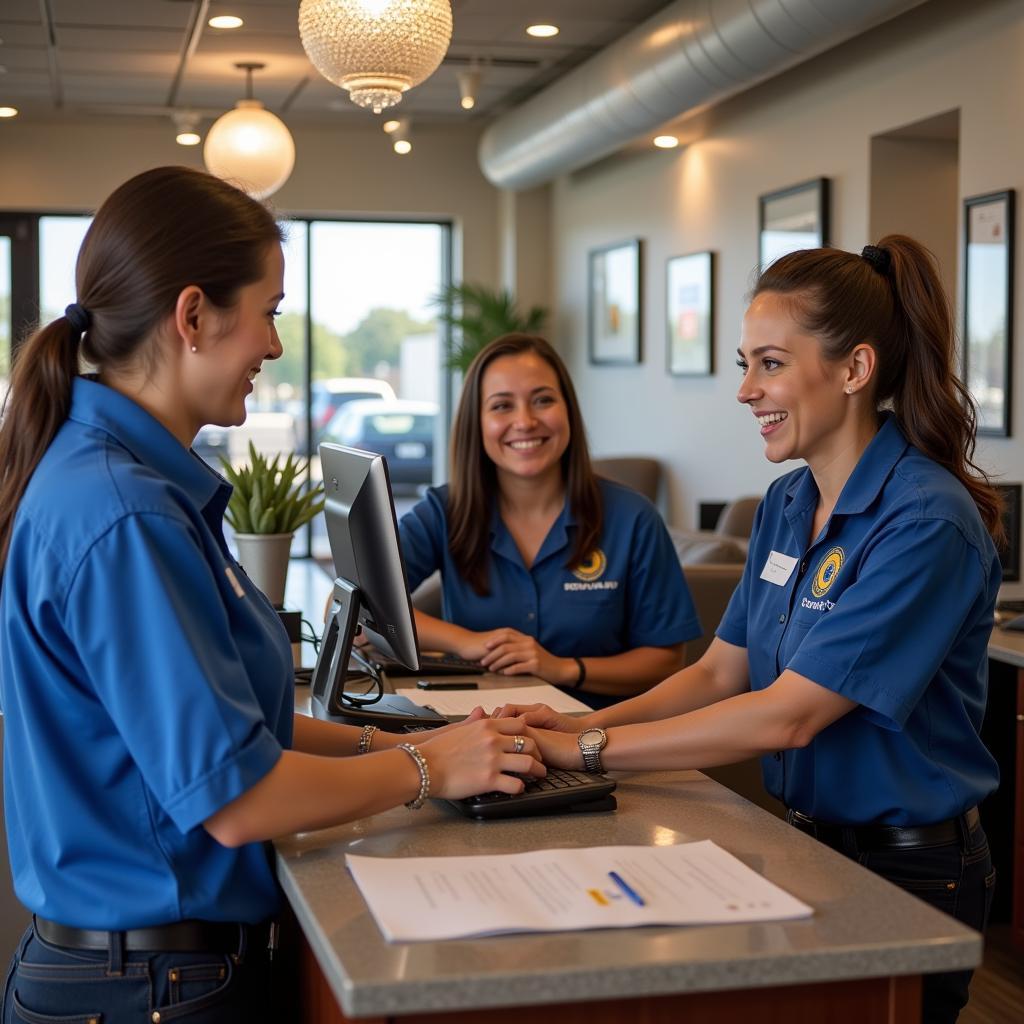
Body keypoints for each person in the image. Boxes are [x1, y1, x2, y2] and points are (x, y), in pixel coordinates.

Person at [0, 166, 540, 1023]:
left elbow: (248, 733)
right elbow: (237, 800)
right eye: (270, 313)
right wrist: (427, 767)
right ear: (192, 317)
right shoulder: (125, 513)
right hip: (153, 990)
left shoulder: (125, 482)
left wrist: (416, 737)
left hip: (144, 976)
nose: (276, 346)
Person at [498, 237, 1000, 1023]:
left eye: (768, 363)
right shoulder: (789, 503)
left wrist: (585, 750)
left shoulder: (925, 522)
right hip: (805, 845)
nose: (745, 390)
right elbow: (717, 673)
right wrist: (577, 723)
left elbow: (789, 715)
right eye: (744, 363)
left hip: (910, 868)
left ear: (854, 370)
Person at [397, 332, 702, 709]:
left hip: (599, 741)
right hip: (476, 733)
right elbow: (351, 607)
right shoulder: (445, 510)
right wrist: (467, 642)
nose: (525, 421)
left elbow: (667, 661)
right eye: (502, 406)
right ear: (477, 423)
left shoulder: (633, 519)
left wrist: (562, 668)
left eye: (542, 400)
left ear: (568, 411)